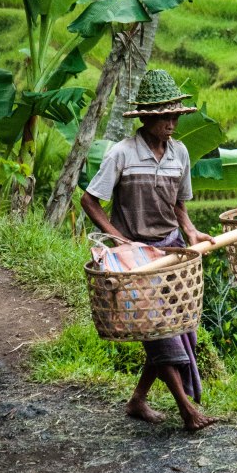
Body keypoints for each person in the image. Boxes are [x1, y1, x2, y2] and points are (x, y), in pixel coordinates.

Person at [80, 70, 216, 431]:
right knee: (160, 332)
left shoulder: (180, 154)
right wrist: (118, 239)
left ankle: (138, 400)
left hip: (170, 254)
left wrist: (190, 232)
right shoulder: (122, 154)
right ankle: (187, 410)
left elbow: (179, 206)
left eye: (175, 116)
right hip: (135, 260)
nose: (172, 123)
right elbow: (90, 200)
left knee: (174, 327)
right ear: (146, 117)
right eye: (165, 117)